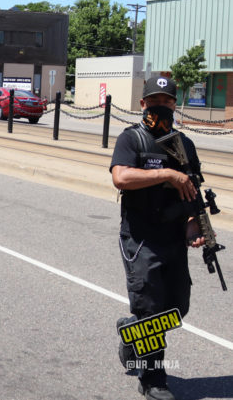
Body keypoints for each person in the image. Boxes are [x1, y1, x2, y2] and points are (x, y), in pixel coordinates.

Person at [110, 77, 206, 400]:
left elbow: (193, 192)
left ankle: (132, 334)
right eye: (155, 101)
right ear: (142, 105)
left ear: (174, 105)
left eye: (167, 102)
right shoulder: (132, 139)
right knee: (151, 310)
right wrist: (165, 174)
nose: (160, 107)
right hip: (141, 240)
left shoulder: (183, 145)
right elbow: (120, 177)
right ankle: (153, 379)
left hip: (173, 238)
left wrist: (195, 224)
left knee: (177, 307)